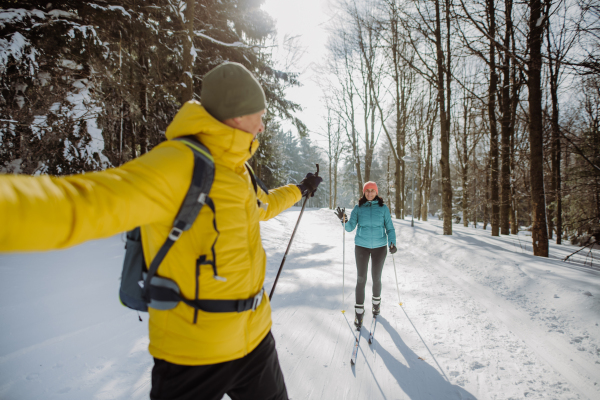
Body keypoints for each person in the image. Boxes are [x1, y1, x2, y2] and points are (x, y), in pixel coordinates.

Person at [0, 62, 322, 400]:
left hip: (256, 342)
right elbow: (81, 204)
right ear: (237, 115)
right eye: (259, 114)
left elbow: (265, 205)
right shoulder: (176, 164)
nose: (262, 125)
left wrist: (300, 189)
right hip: (193, 356)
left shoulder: (239, 170)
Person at [334, 181, 396, 330]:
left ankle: (376, 304)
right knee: (361, 279)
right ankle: (359, 313)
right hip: (361, 247)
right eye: (367, 191)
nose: (369, 193)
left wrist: (392, 243)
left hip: (380, 248)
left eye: (372, 190)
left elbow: (390, 228)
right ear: (363, 192)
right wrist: (344, 220)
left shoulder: (383, 208)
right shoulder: (358, 208)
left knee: (376, 278)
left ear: (376, 192)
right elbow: (349, 228)